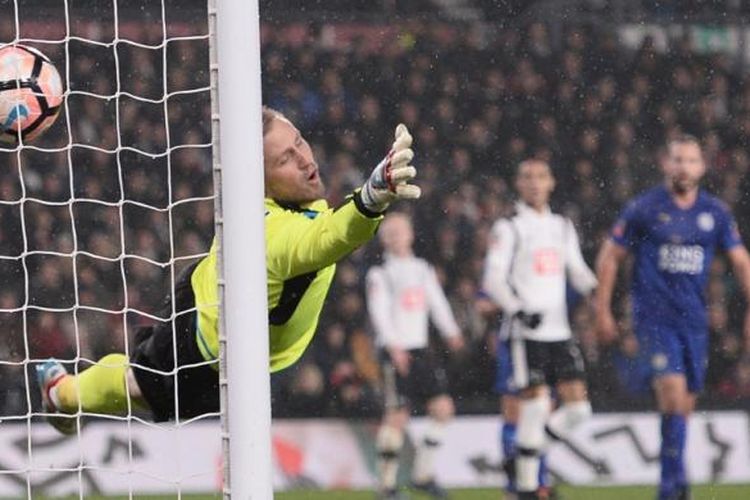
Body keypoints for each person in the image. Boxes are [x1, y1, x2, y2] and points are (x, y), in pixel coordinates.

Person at [36, 107, 421, 433]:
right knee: (139, 387)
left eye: (299, 141)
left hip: (228, 313)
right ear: (261, 181)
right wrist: (372, 197)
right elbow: (329, 238)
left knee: (141, 388)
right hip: (204, 344)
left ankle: (70, 394)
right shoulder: (268, 233)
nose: (306, 159)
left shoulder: (293, 201)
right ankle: (62, 394)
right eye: (285, 159)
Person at [595, 135, 750, 500]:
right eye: (677, 160)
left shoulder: (715, 213)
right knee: (672, 394)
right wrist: (602, 310)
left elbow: (741, 261)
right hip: (654, 319)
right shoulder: (644, 208)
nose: (684, 167)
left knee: (685, 406)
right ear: (666, 164)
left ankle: (677, 481)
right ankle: (669, 488)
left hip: (695, 322)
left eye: (691, 161)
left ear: (702, 167)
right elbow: (610, 256)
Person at [482, 159, 598, 500]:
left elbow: (576, 269)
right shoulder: (509, 227)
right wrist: (517, 309)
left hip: (559, 332)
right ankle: (529, 488)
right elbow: (493, 277)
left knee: (578, 410)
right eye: (527, 177)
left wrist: (598, 293)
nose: (534, 183)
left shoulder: (562, 226)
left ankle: (521, 462)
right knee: (533, 409)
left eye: (541, 177)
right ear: (518, 184)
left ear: (552, 183)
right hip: (525, 334)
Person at [365, 212, 464, 500]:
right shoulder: (380, 273)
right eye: (390, 233)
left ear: (410, 234)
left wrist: (451, 332)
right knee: (396, 416)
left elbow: (437, 303)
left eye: (401, 231)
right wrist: (393, 346)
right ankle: (385, 486)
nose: (396, 237)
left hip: (421, 350)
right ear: (384, 239)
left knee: (443, 409)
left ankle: (423, 474)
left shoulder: (422, 269)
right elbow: (379, 312)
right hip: (396, 351)